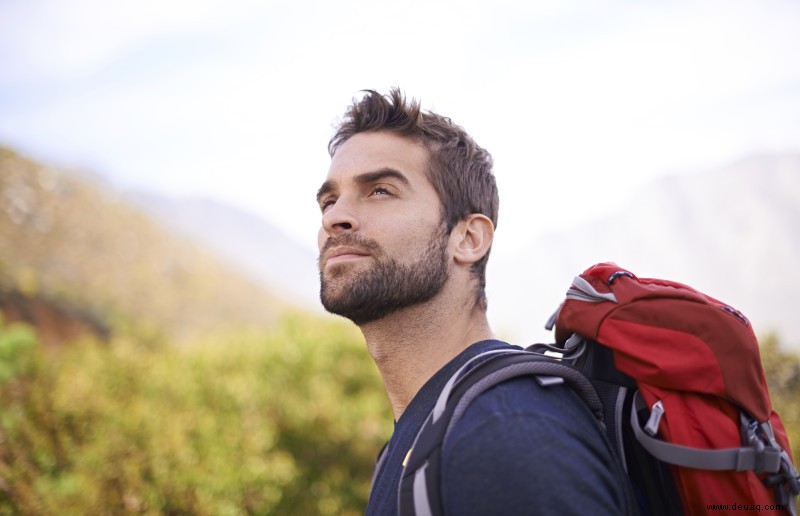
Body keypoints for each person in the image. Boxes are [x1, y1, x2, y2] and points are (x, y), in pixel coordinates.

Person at [316, 88, 636, 515]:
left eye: (380, 191)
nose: (335, 217)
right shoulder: (427, 433)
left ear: (468, 239)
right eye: (329, 199)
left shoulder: (505, 431)